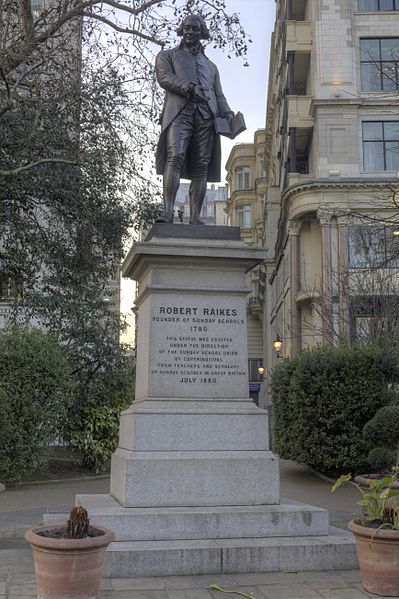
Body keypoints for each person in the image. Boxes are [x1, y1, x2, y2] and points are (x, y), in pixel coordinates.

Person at [155, 13, 234, 225]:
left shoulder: (211, 66)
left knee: (202, 166)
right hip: (180, 113)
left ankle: (196, 218)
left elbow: (218, 94)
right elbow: (164, 78)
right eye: (187, 28)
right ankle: (168, 212)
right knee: (175, 156)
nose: (190, 32)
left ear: (202, 33)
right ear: (181, 30)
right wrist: (189, 89)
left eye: (195, 29)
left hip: (207, 117)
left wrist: (227, 113)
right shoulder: (167, 55)